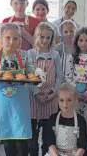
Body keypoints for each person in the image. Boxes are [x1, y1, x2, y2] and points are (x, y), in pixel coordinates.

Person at [0, 23, 41, 156]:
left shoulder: (25, 55)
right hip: (3, 105)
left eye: (15, 38)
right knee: (8, 141)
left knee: (22, 142)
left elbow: (31, 75)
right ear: (1, 39)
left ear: (20, 40)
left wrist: (38, 76)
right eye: (8, 38)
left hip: (21, 104)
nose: (11, 42)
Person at [27, 22, 62, 156]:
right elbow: (29, 76)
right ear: (36, 36)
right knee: (32, 135)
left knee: (48, 133)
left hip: (51, 98)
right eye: (42, 37)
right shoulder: (31, 54)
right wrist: (36, 94)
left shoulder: (55, 55)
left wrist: (53, 93)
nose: (45, 40)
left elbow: (59, 76)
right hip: (34, 98)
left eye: (48, 38)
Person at [43, 83, 87, 156]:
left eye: (69, 100)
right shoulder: (52, 119)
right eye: (61, 100)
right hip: (55, 153)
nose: (65, 104)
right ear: (57, 100)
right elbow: (50, 143)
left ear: (74, 100)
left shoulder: (80, 120)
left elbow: (82, 145)